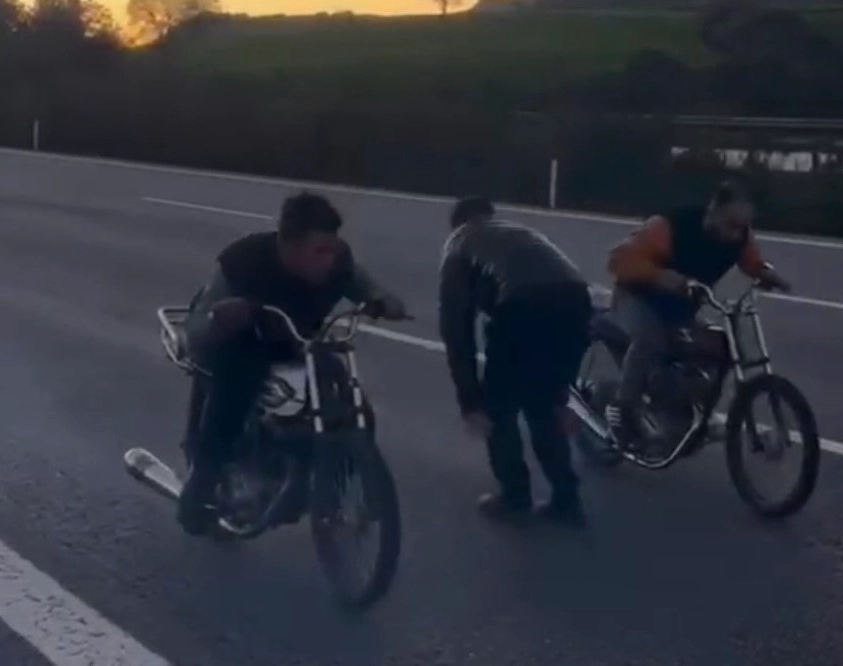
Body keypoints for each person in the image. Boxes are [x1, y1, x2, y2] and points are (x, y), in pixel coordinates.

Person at [177, 191, 409, 535]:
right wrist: (223, 319)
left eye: (331, 250)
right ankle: (202, 483)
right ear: (288, 246)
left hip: (297, 342)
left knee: (347, 396)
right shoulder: (244, 262)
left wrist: (383, 300)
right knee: (235, 392)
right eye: (319, 251)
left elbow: (361, 282)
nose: (328, 260)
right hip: (239, 346)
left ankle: (337, 481)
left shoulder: (338, 262)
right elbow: (196, 330)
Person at [438, 196, 593, 528]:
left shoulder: (458, 245)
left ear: (456, 224)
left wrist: (470, 400)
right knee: (545, 405)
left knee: (500, 409)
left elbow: (456, 329)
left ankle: (515, 496)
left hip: (524, 306)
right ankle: (566, 498)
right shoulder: (519, 232)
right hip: (577, 301)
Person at [604, 180, 791, 450]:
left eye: (742, 226)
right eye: (730, 224)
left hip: (680, 308)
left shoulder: (740, 236)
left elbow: (751, 261)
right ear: (713, 209)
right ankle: (623, 410)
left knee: (719, 346)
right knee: (649, 340)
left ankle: (693, 410)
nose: (735, 234)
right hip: (636, 298)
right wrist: (662, 276)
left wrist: (766, 274)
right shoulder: (669, 227)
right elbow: (618, 260)